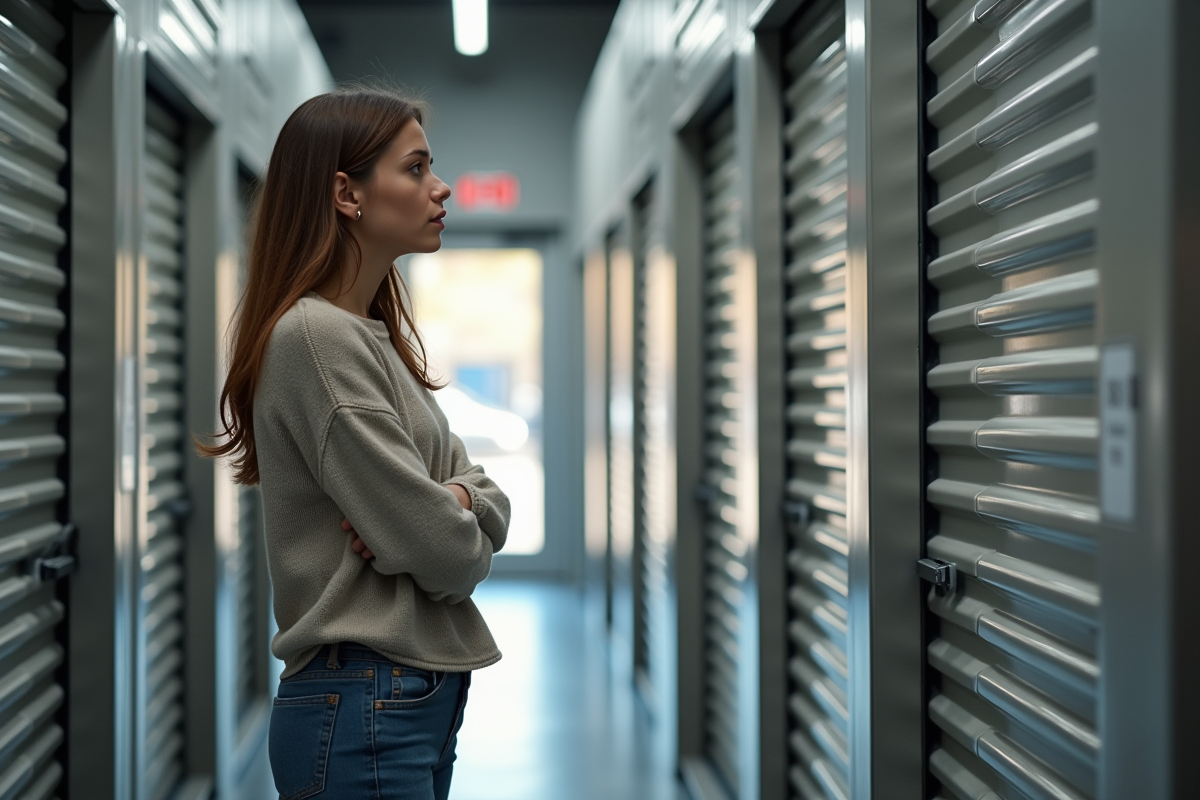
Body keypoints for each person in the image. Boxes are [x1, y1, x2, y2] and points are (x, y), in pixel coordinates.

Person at [199, 88, 510, 800]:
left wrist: (454, 497)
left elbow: (480, 491)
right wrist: (447, 515)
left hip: (402, 696)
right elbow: (447, 553)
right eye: (416, 168)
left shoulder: (370, 336)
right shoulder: (316, 339)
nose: (442, 187)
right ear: (347, 193)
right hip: (365, 696)